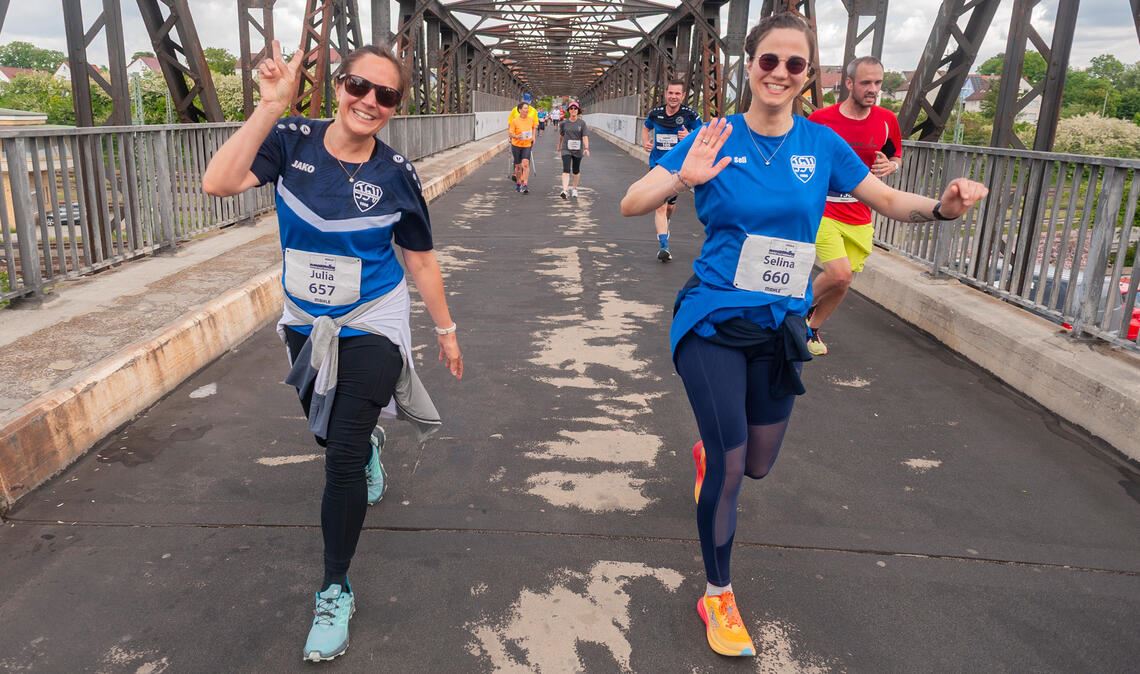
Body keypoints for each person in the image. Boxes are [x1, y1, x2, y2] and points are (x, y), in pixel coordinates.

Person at [620, 12, 987, 658]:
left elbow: (885, 200)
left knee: (757, 464)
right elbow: (632, 201)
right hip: (712, 320)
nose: (780, 73)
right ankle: (717, 593)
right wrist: (683, 177)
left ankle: (713, 454)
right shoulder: (714, 137)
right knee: (733, 466)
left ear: (807, 75)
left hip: (779, 324)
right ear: (749, 65)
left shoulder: (821, 145)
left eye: (795, 64)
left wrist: (942, 209)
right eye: (769, 60)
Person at [202, 39, 464, 662]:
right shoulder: (291, 139)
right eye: (358, 86)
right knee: (327, 433)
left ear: (396, 107)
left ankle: (334, 588)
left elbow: (420, 259)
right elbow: (218, 183)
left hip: (372, 318)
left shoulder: (396, 174)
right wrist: (271, 105)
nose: (368, 101)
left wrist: (446, 330)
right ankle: (368, 443)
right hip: (305, 320)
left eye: (386, 95)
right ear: (339, 85)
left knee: (339, 456)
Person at [805, 56, 902, 355]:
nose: (873, 89)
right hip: (824, 208)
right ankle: (789, 314)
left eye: (878, 83)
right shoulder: (821, 119)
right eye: (866, 83)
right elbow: (801, 158)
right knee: (840, 274)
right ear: (849, 83)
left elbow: (895, 155)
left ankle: (811, 328)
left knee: (843, 282)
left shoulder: (887, 120)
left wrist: (892, 166)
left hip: (860, 212)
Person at [642, 80, 701, 261]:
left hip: (678, 167)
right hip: (658, 165)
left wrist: (689, 136)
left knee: (669, 206)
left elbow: (702, 135)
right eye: (670, 93)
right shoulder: (656, 113)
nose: (673, 97)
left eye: (677, 94)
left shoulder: (690, 115)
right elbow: (646, 127)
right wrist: (645, 141)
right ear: (665, 94)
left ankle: (666, 222)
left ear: (683, 96)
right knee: (660, 205)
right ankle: (664, 247)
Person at [557, 102, 590, 199]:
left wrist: (586, 148)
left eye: (575, 108)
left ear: (578, 110)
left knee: (576, 170)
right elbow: (561, 135)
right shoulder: (564, 123)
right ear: (569, 111)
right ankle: (565, 190)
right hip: (566, 149)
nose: (573, 110)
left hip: (577, 150)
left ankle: (574, 188)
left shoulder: (582, 123)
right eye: (571, 108)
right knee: (566, 169)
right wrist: (559, 146)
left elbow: (585, 136)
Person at [508, 100, 538, 194]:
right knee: (518, 166)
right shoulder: (515, 121)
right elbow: (510, 133)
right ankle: (518, 183)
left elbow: (533, 128)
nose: (527, 110)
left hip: (527, 144)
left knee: (525, 164)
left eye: (527, 108)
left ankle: (525, 184)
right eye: (525, 108)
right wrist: (516, 136)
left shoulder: (530, 119)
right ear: (520, 110)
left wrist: (533, 136)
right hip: (516, 145)